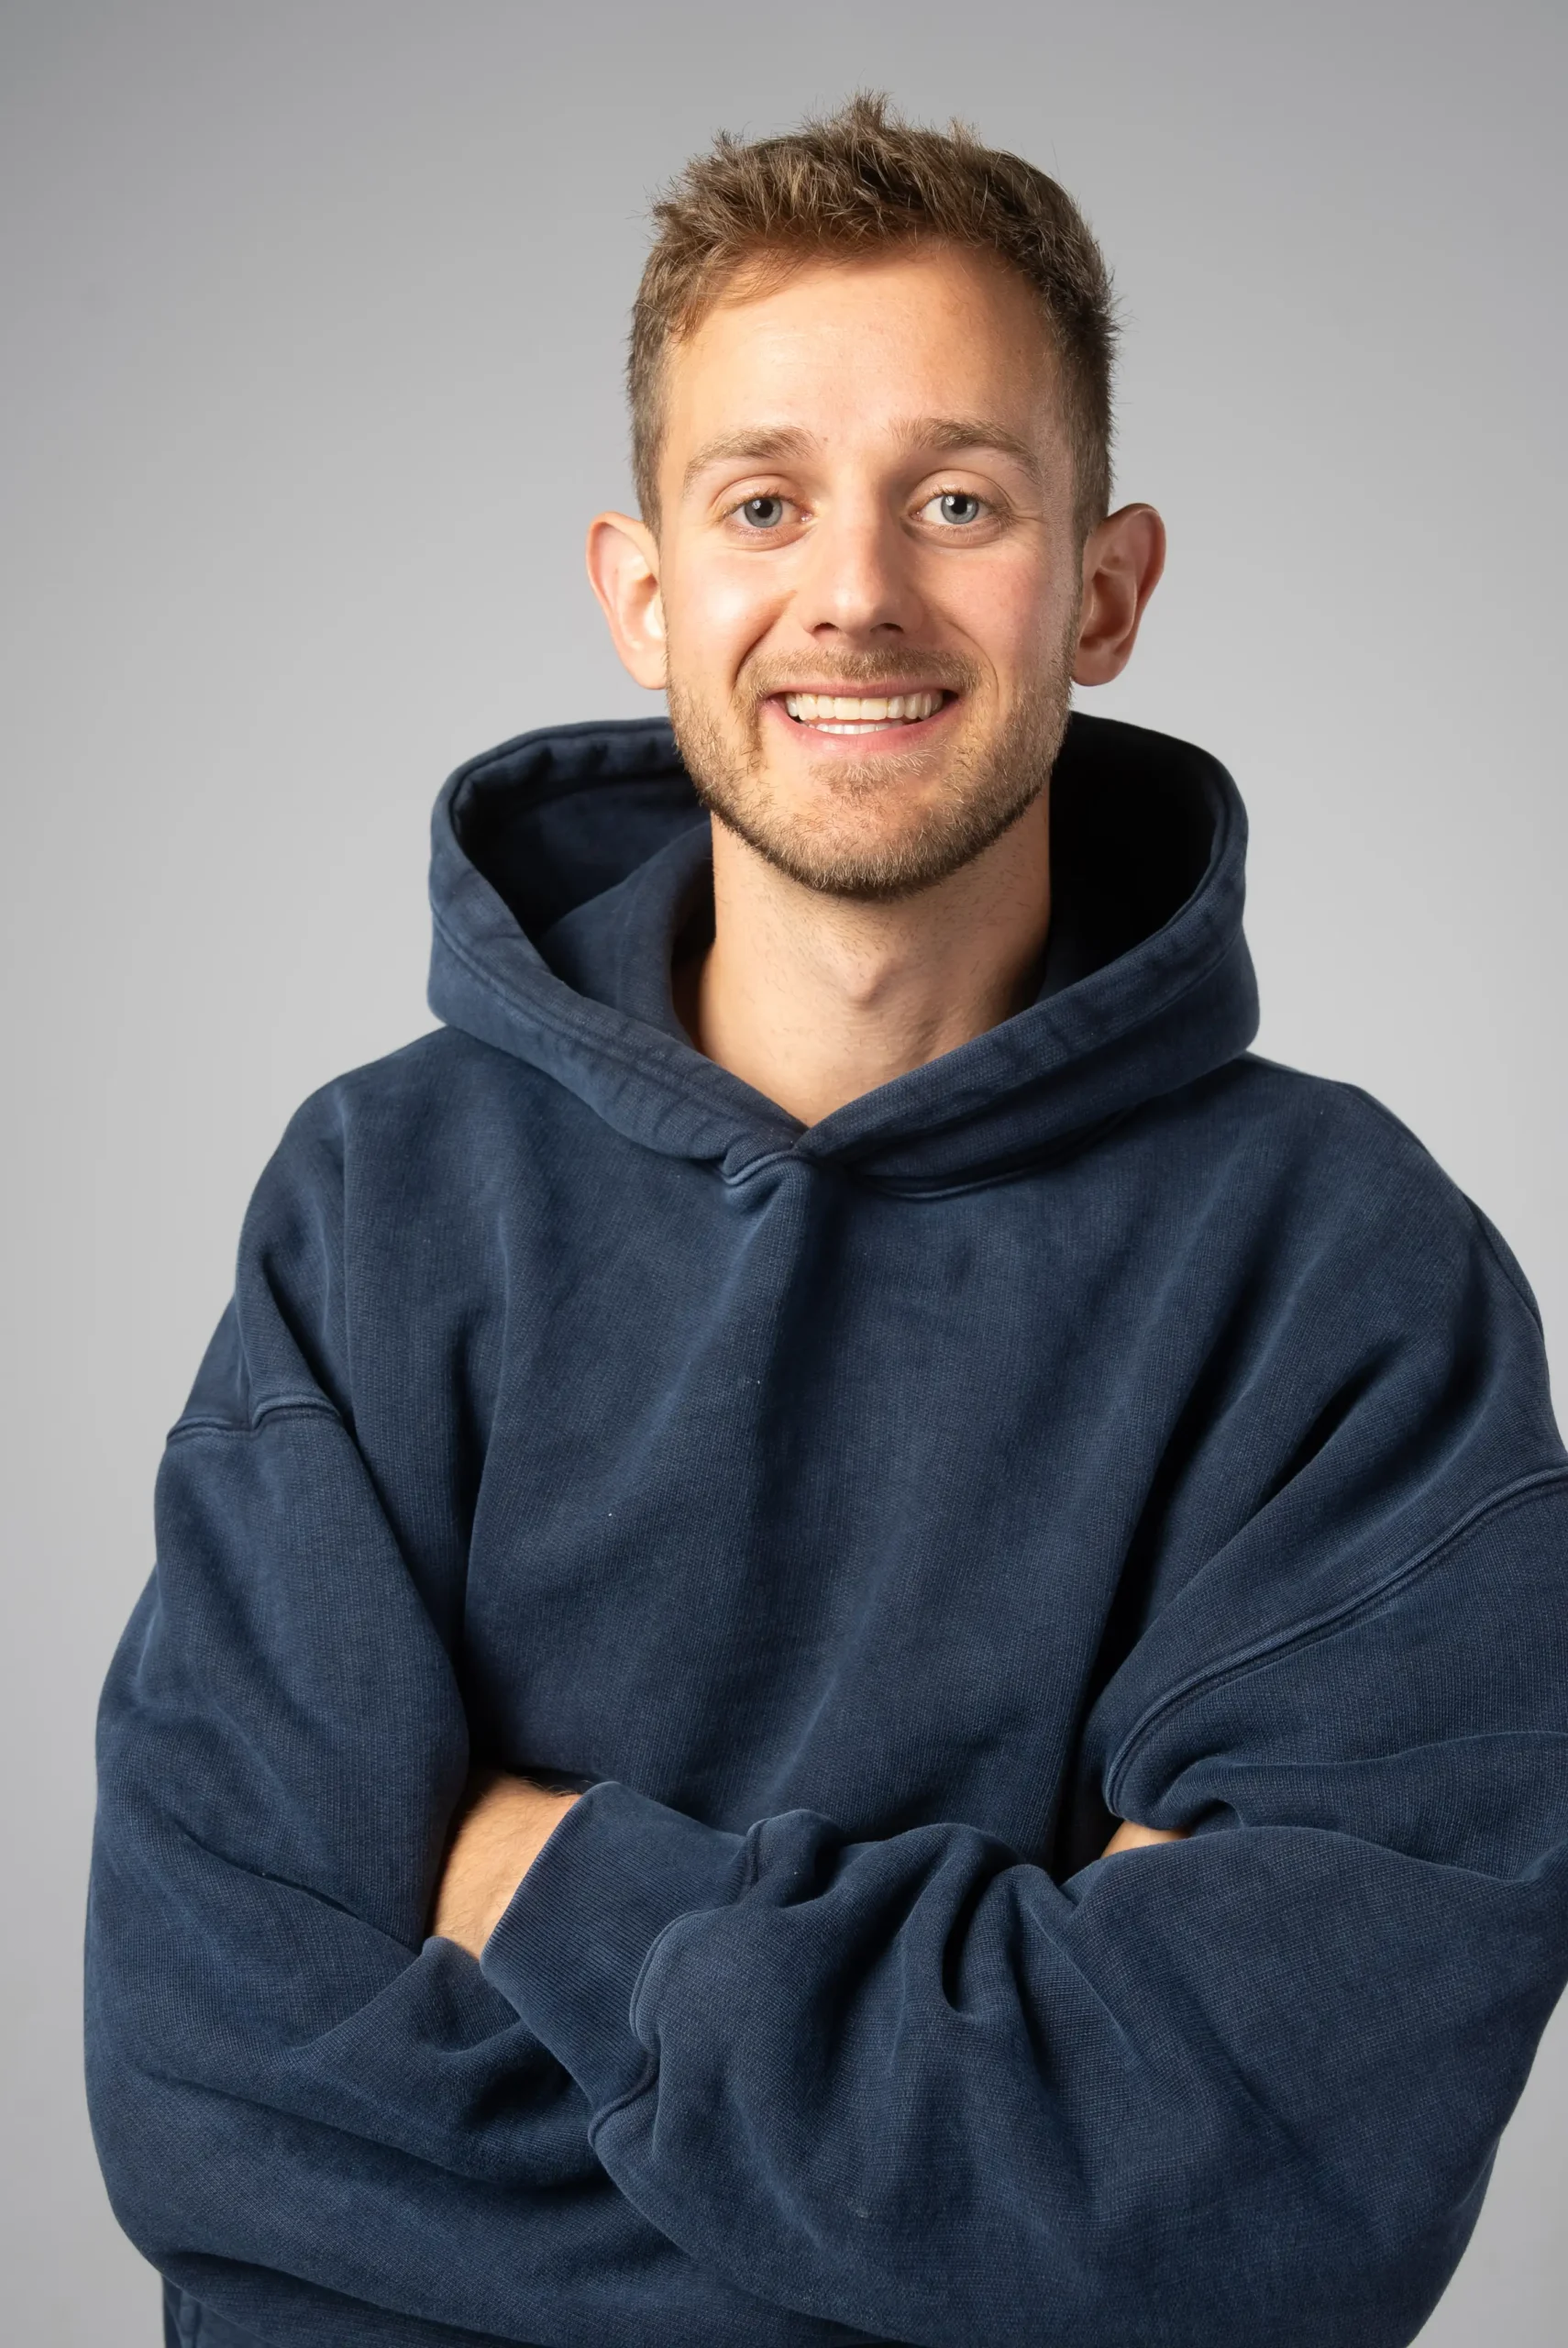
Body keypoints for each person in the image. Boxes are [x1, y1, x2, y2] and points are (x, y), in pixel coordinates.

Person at [87, 94, 1568, 2348]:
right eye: (763, 501)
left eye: (957, 499)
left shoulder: (1351, 1278)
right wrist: (973, 2161)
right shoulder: (376, 1206)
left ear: (1105, 585)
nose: (856, 590)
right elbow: (219, 2103)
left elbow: (1264, 2192)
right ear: (645, 590)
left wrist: (541, 1874)